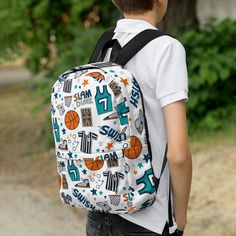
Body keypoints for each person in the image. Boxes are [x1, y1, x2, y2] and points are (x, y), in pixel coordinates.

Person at [86, 0, 192, 235]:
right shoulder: (166, 48)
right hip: (148, 219)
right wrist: (181, 219)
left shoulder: (105, 44)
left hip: (99, 213)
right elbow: (178, 154)